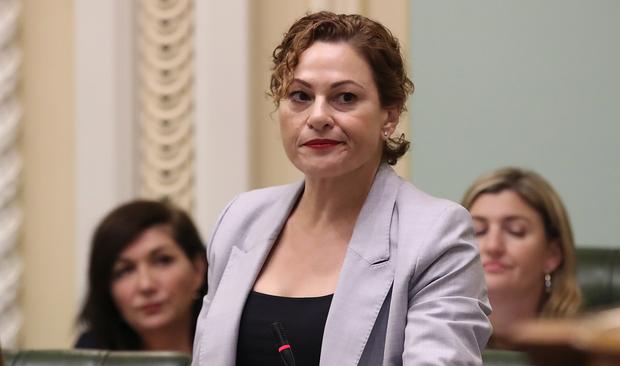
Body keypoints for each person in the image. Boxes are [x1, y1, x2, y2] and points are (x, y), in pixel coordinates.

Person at [192, 11, 491, 366]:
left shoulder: (435, 235)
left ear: (389, 116)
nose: (317, 116)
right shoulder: (239, 219)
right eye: (300, 96)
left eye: (345, 98)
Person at [461, 167, 582, 348]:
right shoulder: (429, 342)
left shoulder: (588, 348)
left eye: (515, 231)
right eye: (478, 231)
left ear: (552, 254)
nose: (493, 246)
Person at [76, 200, 207, 353]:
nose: (146, 285)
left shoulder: (235, 347)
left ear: (198, 270)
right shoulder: (91, 355)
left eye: (162, 260)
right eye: (125, 270)